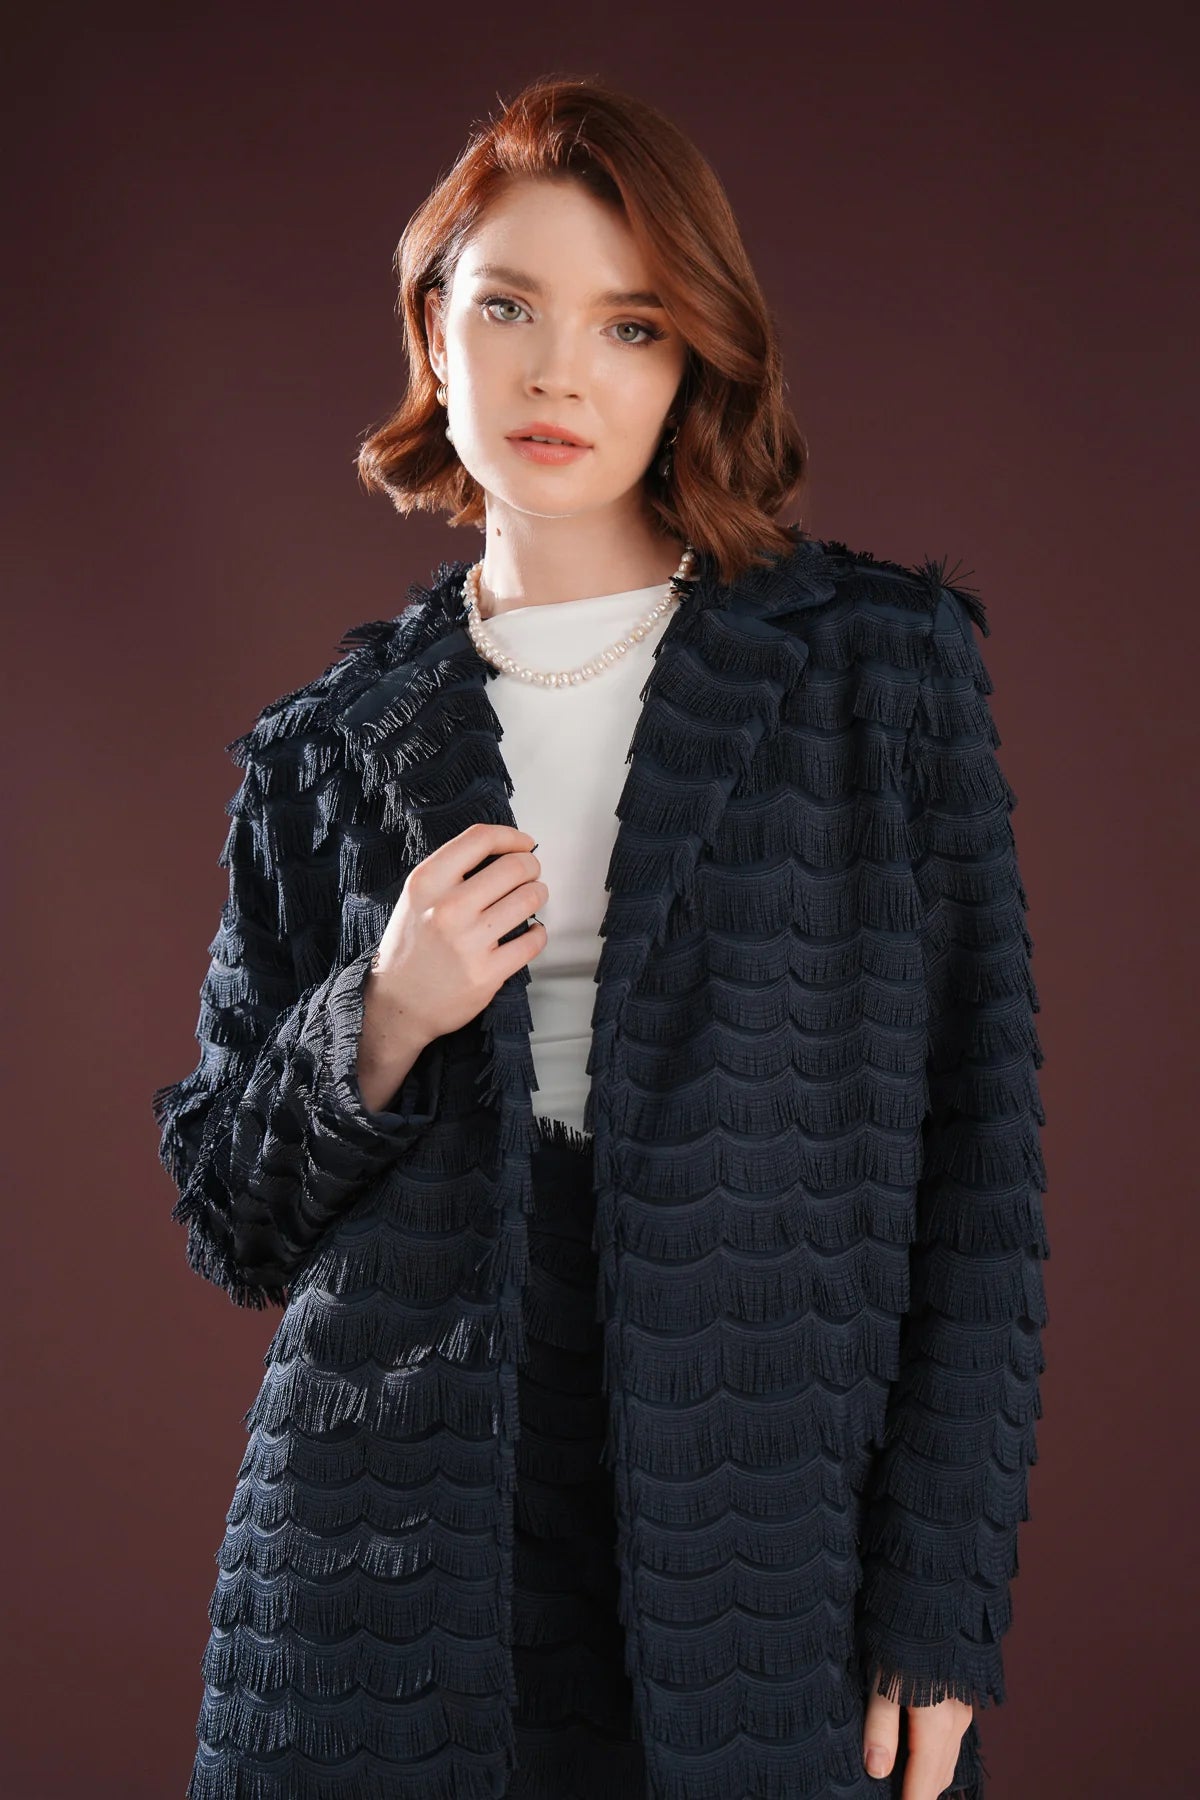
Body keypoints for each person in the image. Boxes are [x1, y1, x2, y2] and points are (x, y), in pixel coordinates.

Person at [152, 73, 1048, 1800]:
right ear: (435, 333)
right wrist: (378, 1016)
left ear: (694, 359)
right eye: (509, 307)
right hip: (378, 1571)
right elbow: (228, 1217)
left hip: (763, 1534)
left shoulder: (874, 668)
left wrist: (942, 1603)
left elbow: (983, 1164)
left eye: (628, 324)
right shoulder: (325, 746)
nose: (559, 372)